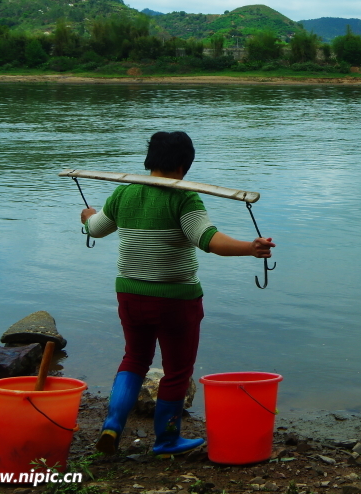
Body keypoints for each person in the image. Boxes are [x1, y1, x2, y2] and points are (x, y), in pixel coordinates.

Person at [81, 131, 275, 456]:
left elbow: (97, 229)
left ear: (149, 162)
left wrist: (87, 217)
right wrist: (250, 248)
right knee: (177, 371)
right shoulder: (184, 198)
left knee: (134, 359)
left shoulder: (123, 194)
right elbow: (209, 240)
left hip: (130, 295)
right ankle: (167, 439)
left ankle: (113, 425)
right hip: (176, 300)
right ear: (184, 165)